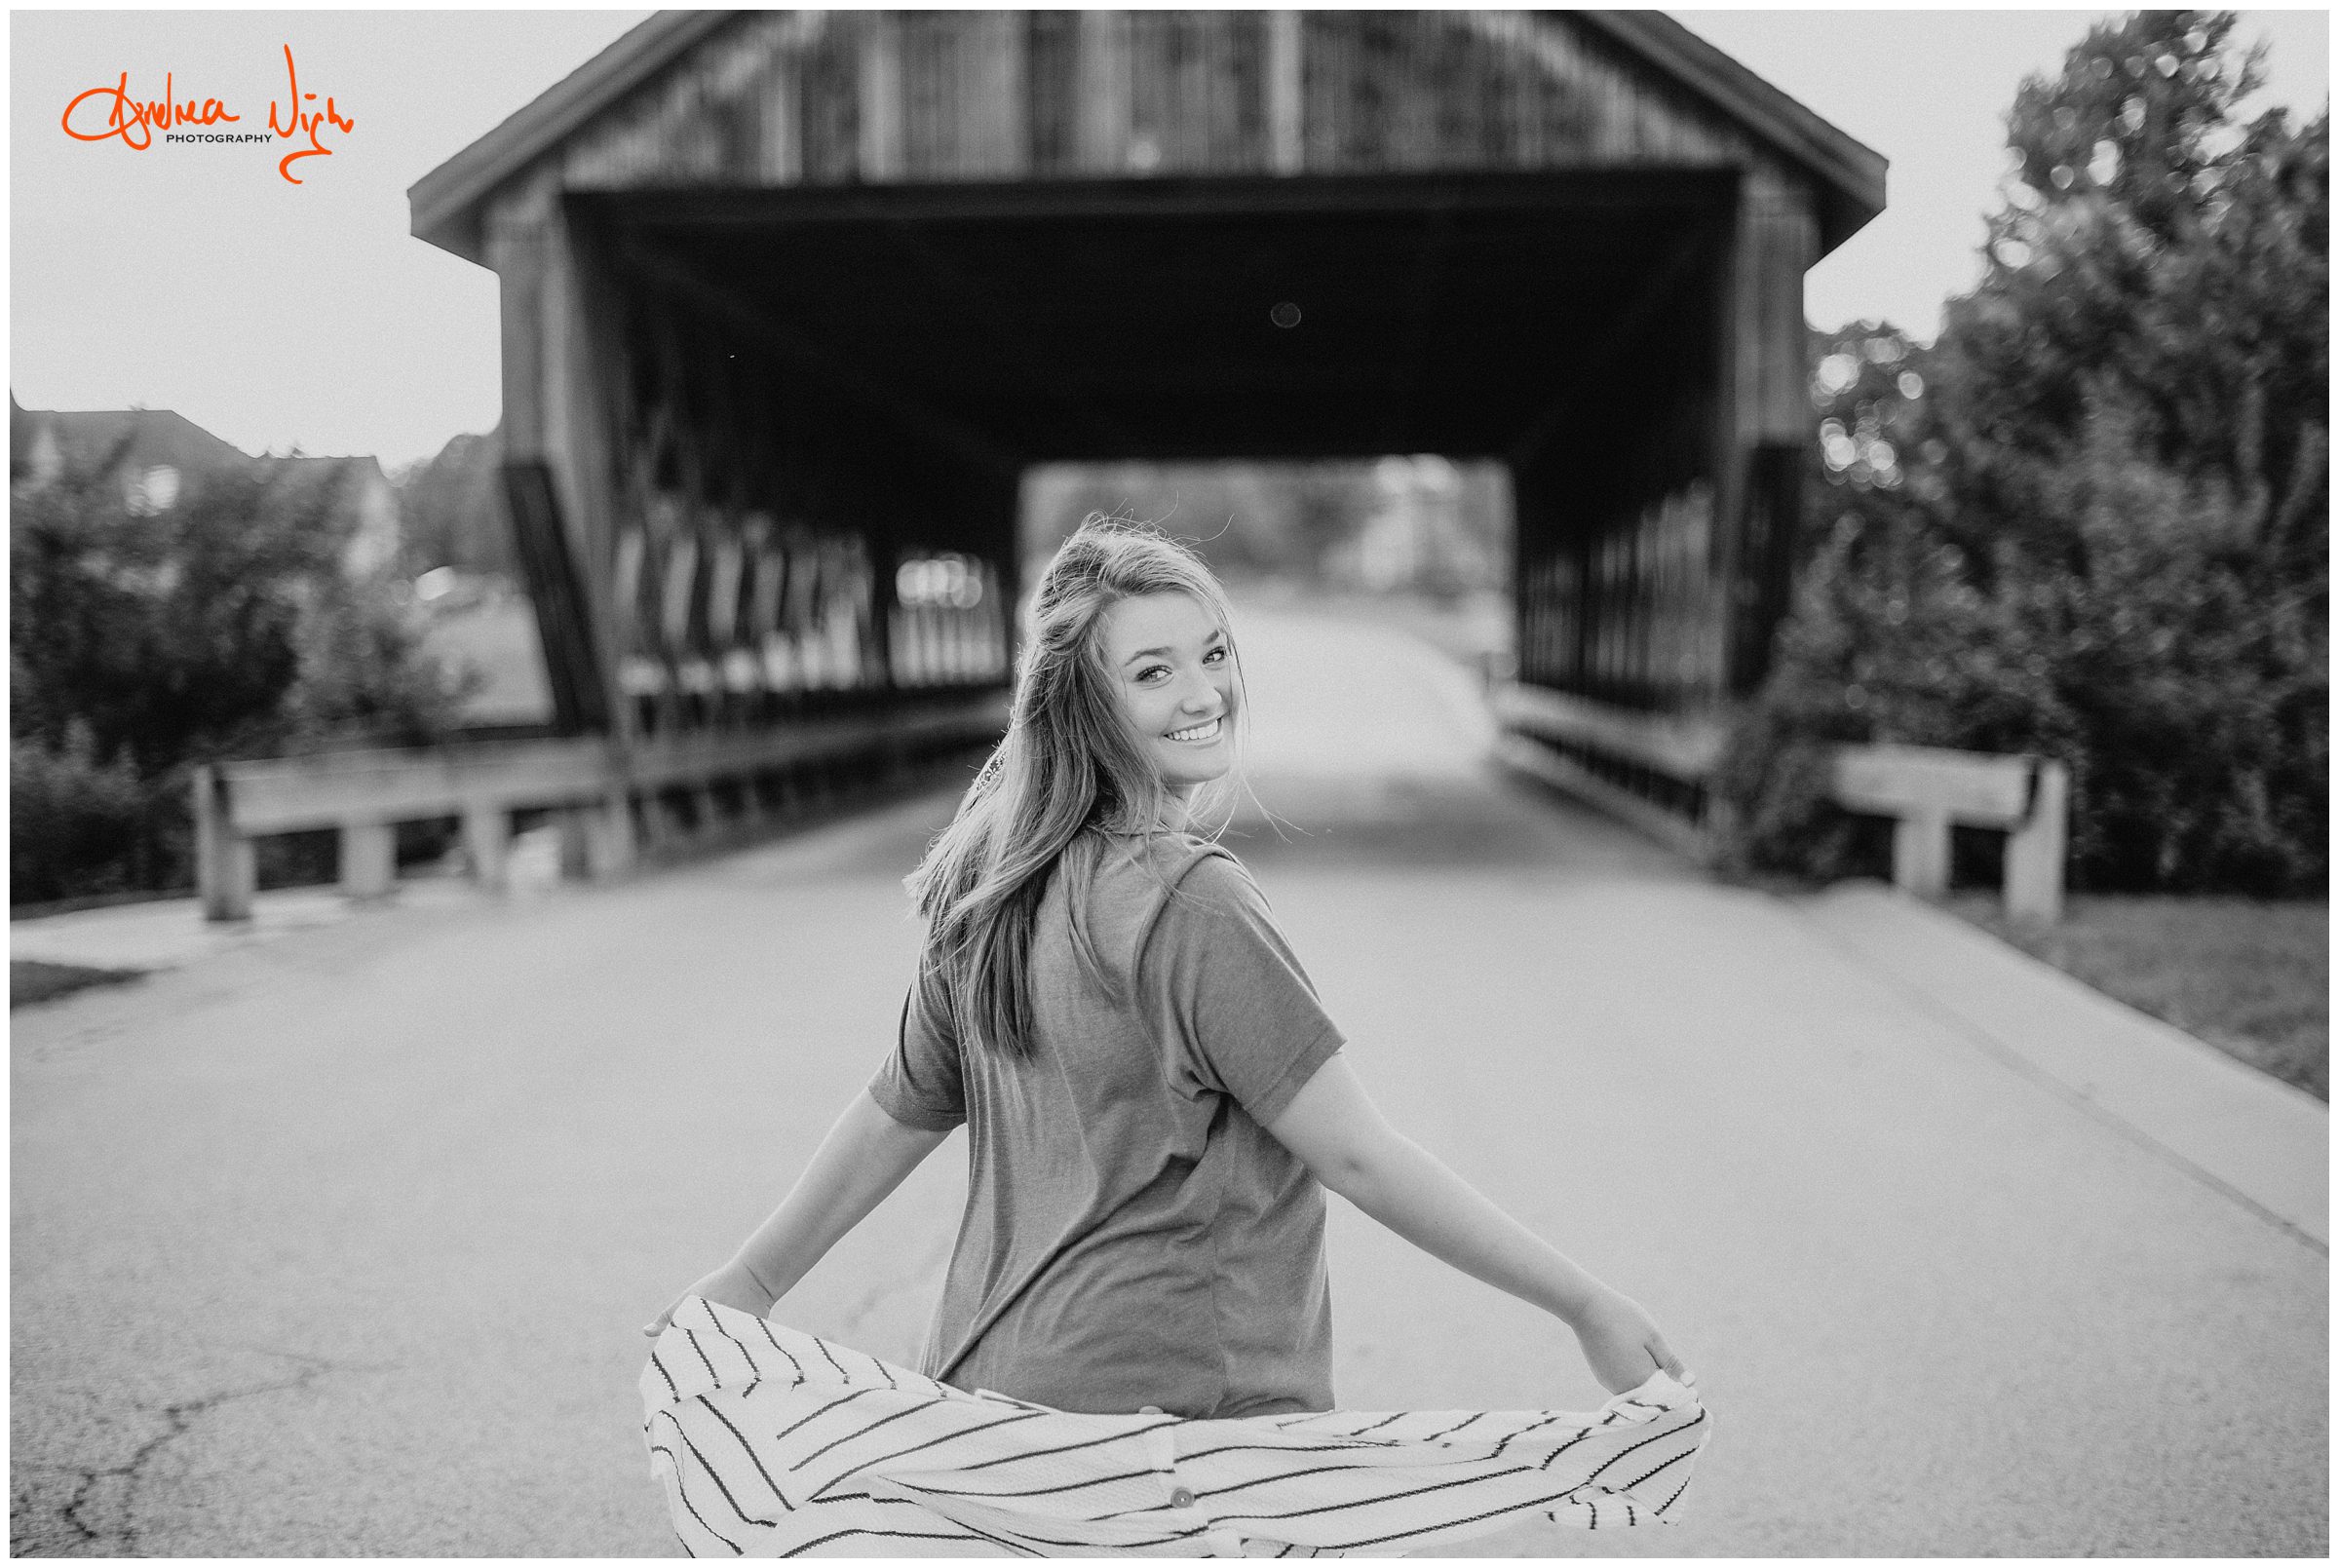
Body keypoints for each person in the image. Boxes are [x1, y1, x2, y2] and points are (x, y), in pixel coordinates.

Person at [643, 516, 1692, 1422]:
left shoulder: (989, 880)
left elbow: (894, 1114)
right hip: (1184, 1429)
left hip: (985, 1400)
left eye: (1214, 652)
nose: (1205, 692)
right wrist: (1583, 1303)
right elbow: (1359, 1156)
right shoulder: (1191, 901)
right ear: (1082, 705)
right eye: (1153, 671)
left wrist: (754, 1278)